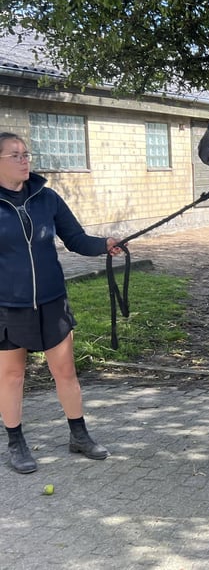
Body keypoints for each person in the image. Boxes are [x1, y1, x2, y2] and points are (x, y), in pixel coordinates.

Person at [0, 131, 122, 474]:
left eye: (26, 154)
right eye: (16, 155)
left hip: (52, 300)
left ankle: (78, 434)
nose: (25, 160)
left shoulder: (46, 198)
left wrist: (104, 244)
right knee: (11, 376)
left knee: (66, 371)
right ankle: (15, 442)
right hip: (9, 305)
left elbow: (76, 238)